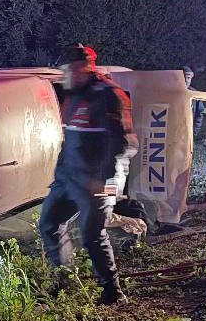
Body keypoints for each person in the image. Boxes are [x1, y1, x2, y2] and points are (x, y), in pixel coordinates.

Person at [39, 44, 137, 305]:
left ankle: (113, 292)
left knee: (92, 233)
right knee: (49, 224)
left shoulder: (109, 95)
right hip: (70, 177)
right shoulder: (72, 95)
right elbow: (68, 138)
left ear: (88, 66)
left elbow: (125, 145)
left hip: (101, 179)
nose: (68, 74)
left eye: (73, 68)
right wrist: (60, 174)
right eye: (66, 69)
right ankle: (64, 282)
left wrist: (105, 182)